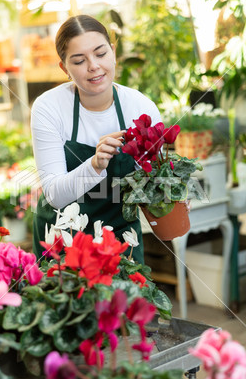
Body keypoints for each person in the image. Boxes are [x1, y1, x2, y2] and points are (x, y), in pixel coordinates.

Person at [31, 14, 162, 263]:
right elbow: (55, 195)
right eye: (79, 60)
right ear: (64, 68)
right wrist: (94, 164)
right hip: (62, 238)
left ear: (113, 52)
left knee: (127, 302)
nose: (93, 66)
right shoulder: (49, 107)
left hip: (122, 238)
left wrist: (172, 195)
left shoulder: (139, 106)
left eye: (101, 54)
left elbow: (151, 180)